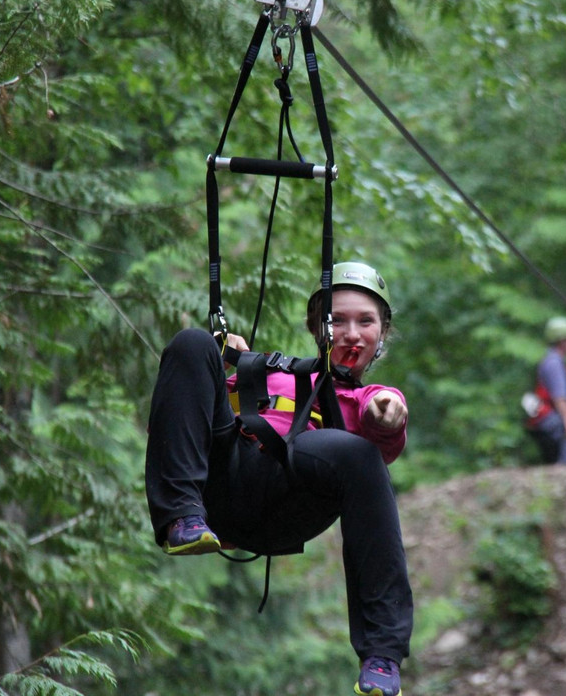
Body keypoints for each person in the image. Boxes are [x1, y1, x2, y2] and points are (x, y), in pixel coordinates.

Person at [145, 261, 411, 696]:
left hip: (294, 493)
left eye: (366, 322)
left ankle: (382, 654)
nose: (352, 333)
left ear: (382, 335)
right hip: (226, 483)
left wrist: (387, 413)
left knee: (357, 451)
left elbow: (384, 421)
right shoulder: (272, 374)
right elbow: (177, 422)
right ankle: (181, 518)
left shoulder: (369, 399)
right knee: (192, 344)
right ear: (317, 328)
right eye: (338, 320)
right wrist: (224, 366)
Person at [526, 316, 566, 465]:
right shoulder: (554, 363)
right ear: (562, 341)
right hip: (555, 420)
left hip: (549, 418)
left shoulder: (554, 361)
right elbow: (560, 397)